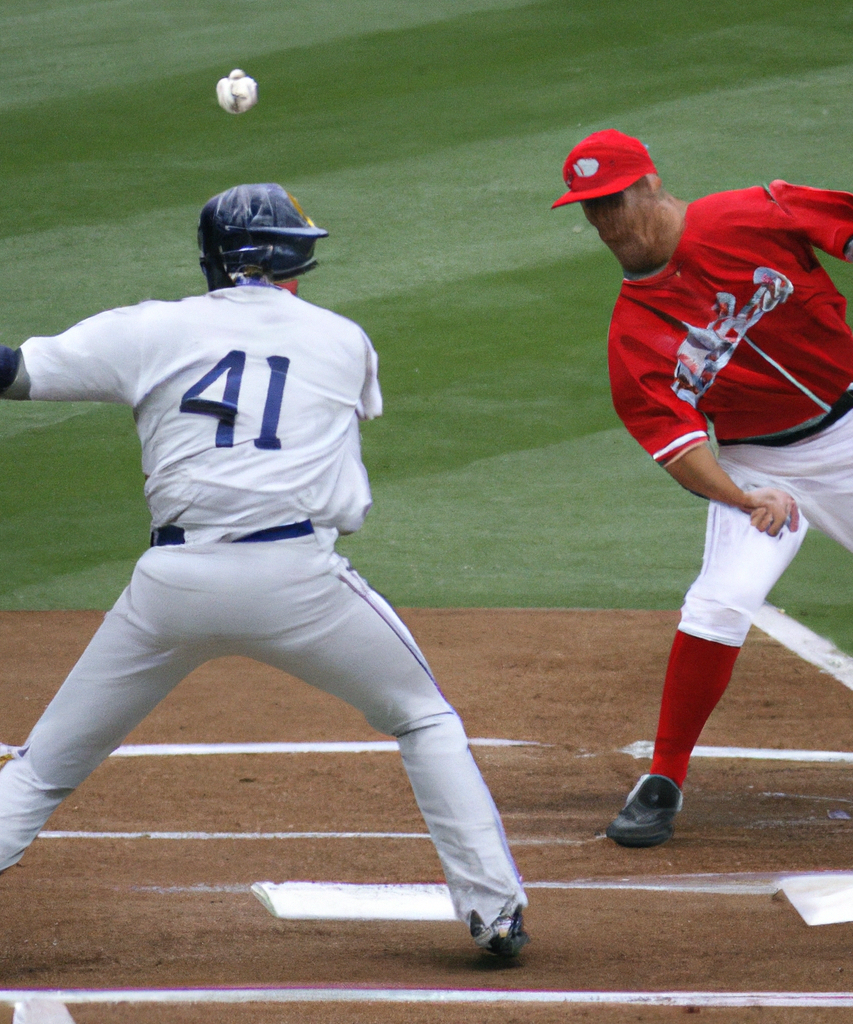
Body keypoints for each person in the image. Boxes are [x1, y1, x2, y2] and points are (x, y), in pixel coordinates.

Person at [0, 183, 528, 956]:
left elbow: (15, 373)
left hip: (173, 585)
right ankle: (495, 911)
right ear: (290, 257)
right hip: (298, 583)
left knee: (44, 767)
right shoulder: (345, 340)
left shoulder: (151, 328)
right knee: (422, 717)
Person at [552, 130, 853, 848]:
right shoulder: (634, 333)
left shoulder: (748, 215)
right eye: (590, 210)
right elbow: (678, 451)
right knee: (720, 600)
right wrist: (743, 499)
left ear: (650, 184)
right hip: (756, 465)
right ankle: (663, 779)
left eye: (614, 201)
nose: (606, 222)